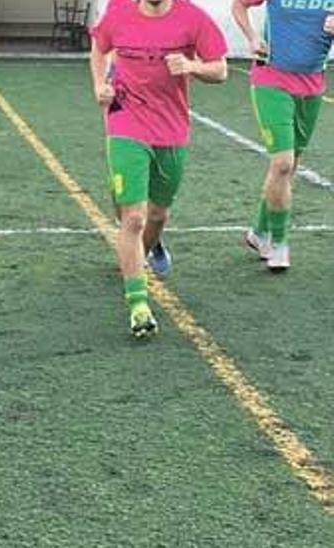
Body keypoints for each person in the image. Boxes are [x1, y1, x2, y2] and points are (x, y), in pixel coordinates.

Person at [89, 0, 228, 337]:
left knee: (157, 215)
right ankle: (138, 304)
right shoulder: (118, 12)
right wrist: (99, 85)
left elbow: (221, 69)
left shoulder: (193, 18)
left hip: (171, 128)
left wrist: (192, 66)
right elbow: (99, 47)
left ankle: (147, 247)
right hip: (125, 119)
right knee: (133, 217)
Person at [231, 0, 334, 272]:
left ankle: (259, 232)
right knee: (283, 163)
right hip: (271, 79)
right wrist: (253, 37)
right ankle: (278, 243)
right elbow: (239, 5)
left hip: (312, 83)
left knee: (290, 165)